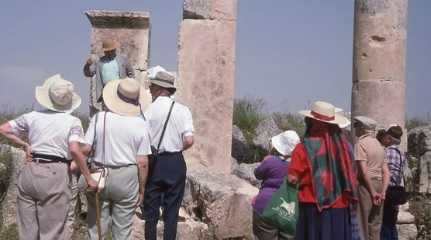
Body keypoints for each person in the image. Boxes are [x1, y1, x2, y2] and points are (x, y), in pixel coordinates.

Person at [0, 74, 84, 240]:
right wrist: (87, 174)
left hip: (30, 171)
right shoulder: (72, 122)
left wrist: (24, 145)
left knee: (27, 231)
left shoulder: (32, 116)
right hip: (56, 170)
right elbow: (74, 149)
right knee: (52, 231)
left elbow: (3, 129)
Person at [72, 78, 151, 240]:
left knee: (96, 227)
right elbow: (142, 162)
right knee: (123, 230)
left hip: (99, 174)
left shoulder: (100, 118)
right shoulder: (141, 124)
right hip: (127, 177)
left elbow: (86, 148)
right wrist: (142, 189)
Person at [287, 101, 358, 240]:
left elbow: (292, 178)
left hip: (312, 208)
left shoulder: (303, 148)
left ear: (311, 122)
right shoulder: (344, 148)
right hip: (340, 207)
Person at [141, 65, 194, 240]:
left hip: (155, 161)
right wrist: (177, 148)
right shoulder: (183, 110)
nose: (149, 89)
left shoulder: (148, 112)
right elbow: (189, 140)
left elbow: (143, 141)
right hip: (176, 161)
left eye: (151, 86)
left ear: (159, 88)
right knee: (172, 213)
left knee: (151, 213)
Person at [252, 130, 300, 240]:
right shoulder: (300, 167)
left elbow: (257, 174)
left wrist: (266, 160)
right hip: (288, 213)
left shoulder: (271, 161)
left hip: (265, 206)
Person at [353, 116, 391, 240]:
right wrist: (383, 191)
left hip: (366, 186)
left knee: (362, 222)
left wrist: (372, 191)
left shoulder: (361, 144)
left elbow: (364, 171)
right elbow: (386, 172)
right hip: (380, 184)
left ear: (363, 128)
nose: (354, 129)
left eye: (356, 125)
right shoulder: (379, 146)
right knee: (375, 224)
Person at [83, 39, 135, 114]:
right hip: (106, 93)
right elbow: (88, 73)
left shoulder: (123, 60)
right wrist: (87, 65)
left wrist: (129, 87)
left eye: (111, 50)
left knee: (120, 113)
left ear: (114, 50)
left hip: (120, 91)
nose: (109, 52)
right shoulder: (99, 62)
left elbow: (131, 74)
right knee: (107, 114)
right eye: (107, 51)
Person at [379, 125, 405, 240]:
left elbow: (383, 171)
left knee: (384, 222)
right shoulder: (401, 154)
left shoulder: (386, 152)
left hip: (387, 189)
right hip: (397, 190)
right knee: (392, 222)